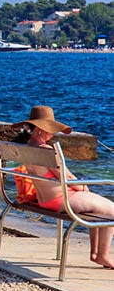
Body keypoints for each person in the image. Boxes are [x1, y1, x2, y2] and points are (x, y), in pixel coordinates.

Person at [14, 105, 114, 269]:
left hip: (46, 200)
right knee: (112, 210)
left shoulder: (27, 149)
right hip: (62, 199)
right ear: (40, 130)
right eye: (49, 129)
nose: (52, 133)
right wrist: (82, 187)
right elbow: (66, 177)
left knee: (100, 209)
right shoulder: (46, 151)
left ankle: (97, 255)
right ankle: (101, 255)